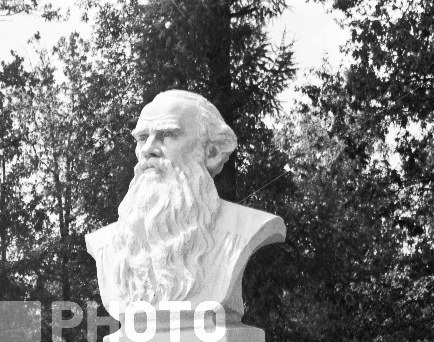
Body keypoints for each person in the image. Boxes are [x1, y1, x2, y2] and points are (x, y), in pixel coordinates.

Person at [85, 89, 285, 321]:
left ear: (211, 153)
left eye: (168, 135)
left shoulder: (246, 229)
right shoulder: (105, 244)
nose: (148, 149)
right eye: (141, 138)